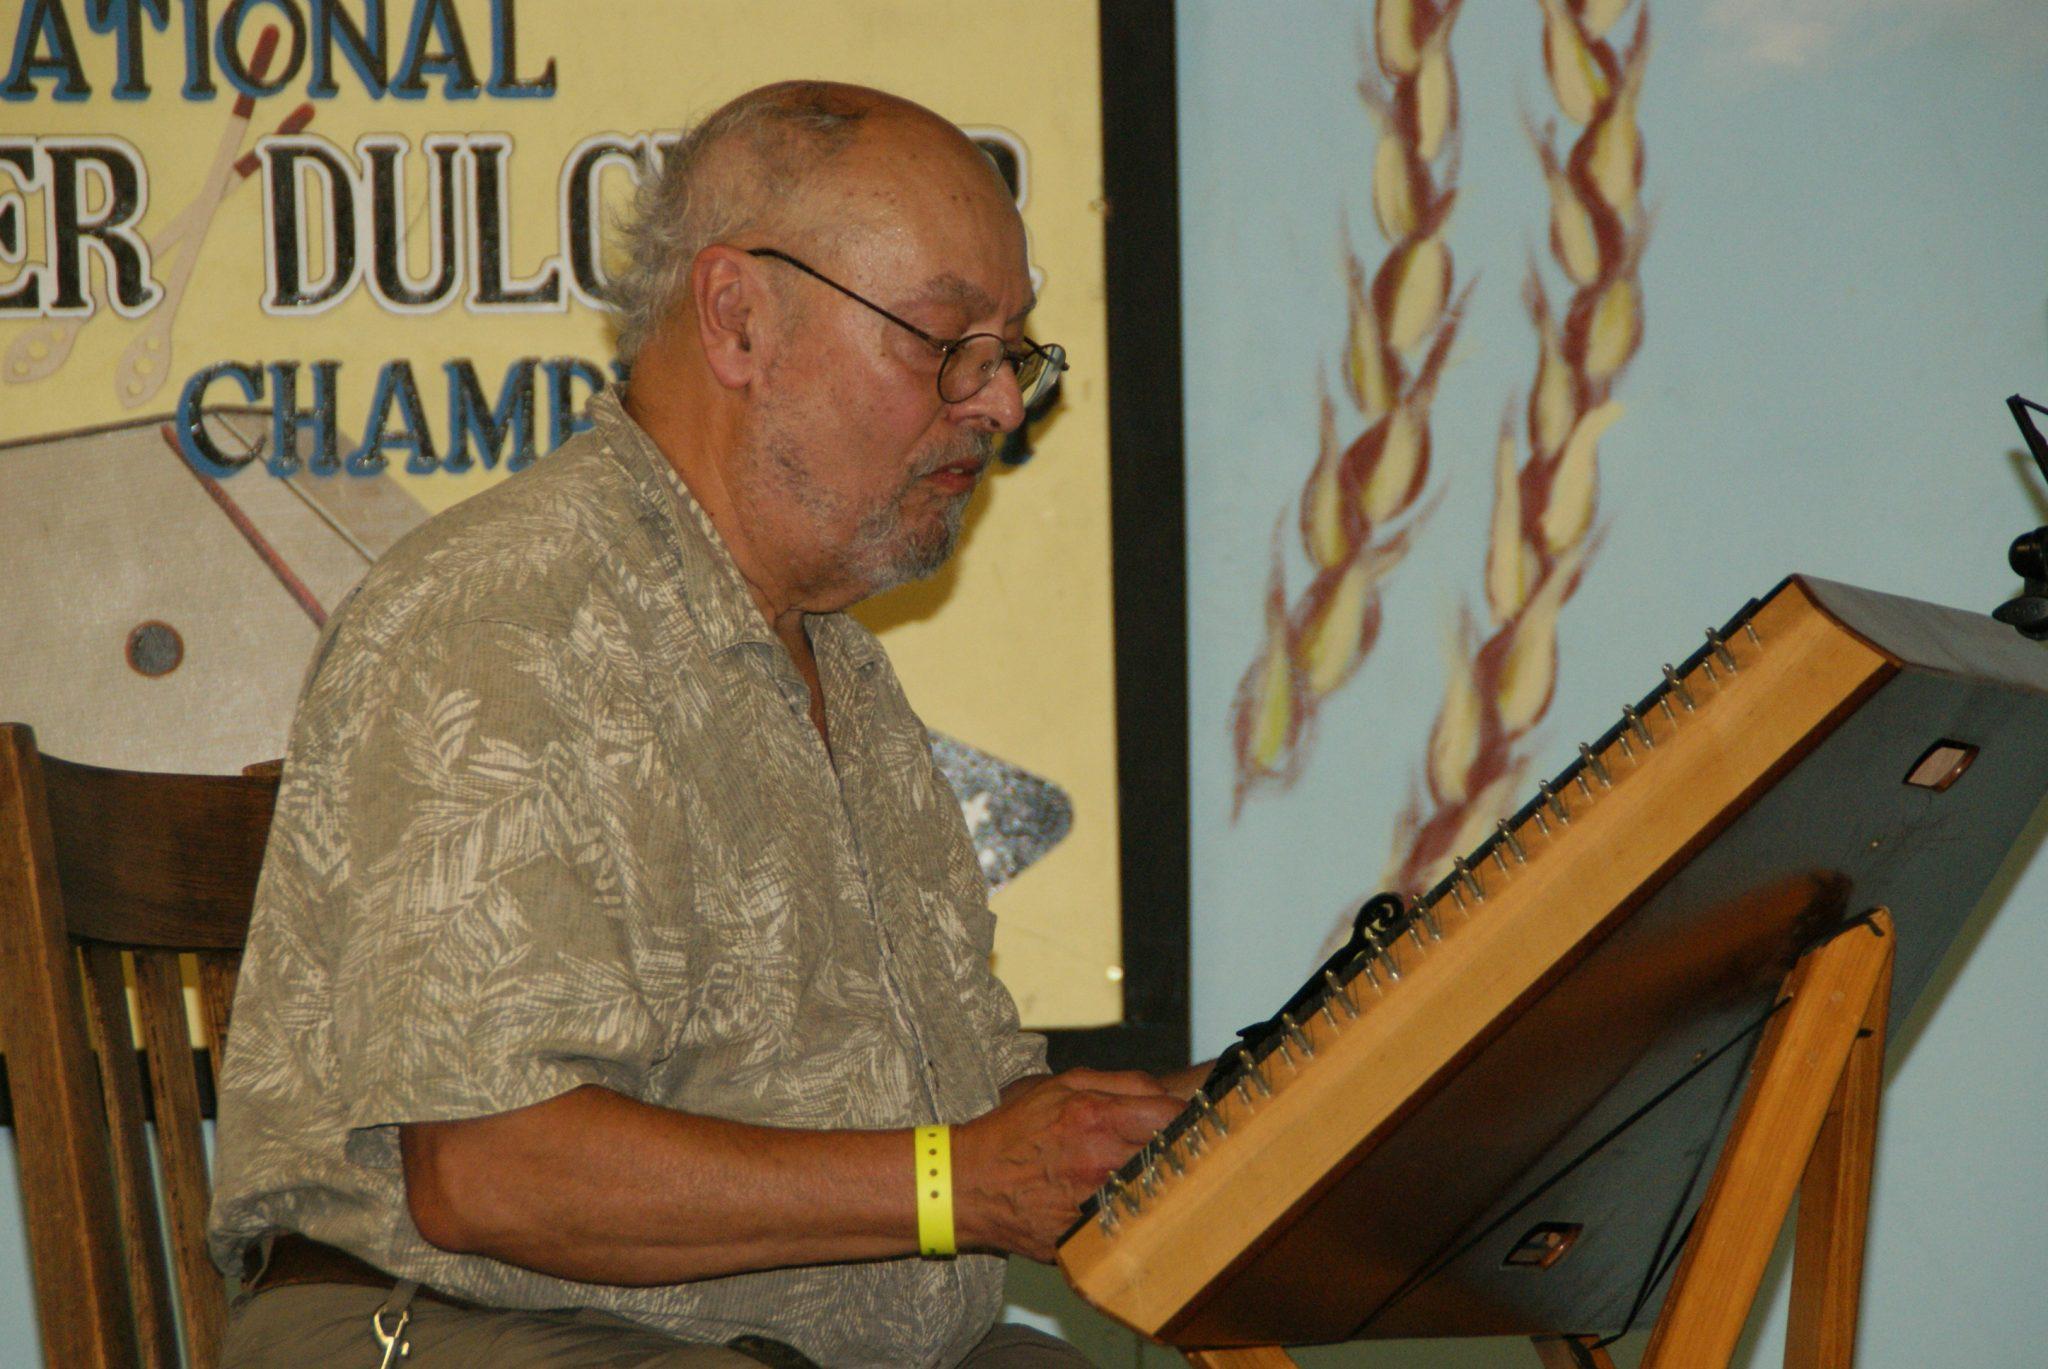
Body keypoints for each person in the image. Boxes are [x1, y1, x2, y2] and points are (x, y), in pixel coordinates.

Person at [207, 81, 1192, 1368]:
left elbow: (966, 1129)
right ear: (738, 319)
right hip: (468, 1332)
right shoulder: (505, 617)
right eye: (947, 340)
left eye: (1011, 352)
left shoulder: (842, 673)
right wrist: (956, 1183)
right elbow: (490, 1172)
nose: (999, 402)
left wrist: (1180, 1123)